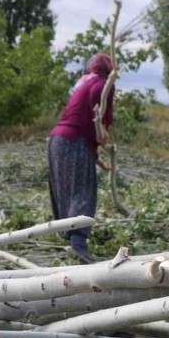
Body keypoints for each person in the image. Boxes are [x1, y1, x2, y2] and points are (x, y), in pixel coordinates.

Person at [47, 53, 116, 263]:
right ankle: (78, 244)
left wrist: (95, 155)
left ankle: (68, 235)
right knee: (83, 190)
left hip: (56, 140)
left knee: (64, 190)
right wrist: (102, 137)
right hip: (73, 140)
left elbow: (87, 121)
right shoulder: (103, 84)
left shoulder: (82, 82)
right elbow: (95, 123)